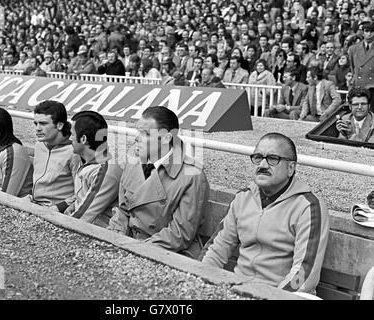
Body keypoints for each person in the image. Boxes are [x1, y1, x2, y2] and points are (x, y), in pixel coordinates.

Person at [202, 133, 329, 294]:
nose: (262, 164)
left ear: (291, 168)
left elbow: (304, 272)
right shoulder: (243, 197)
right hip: (237, 291)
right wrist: (199, 281)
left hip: (284, 295)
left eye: (273, 158)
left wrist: (271, 297)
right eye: (257, 157)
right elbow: (217, 248)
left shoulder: (308, 206)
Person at [108, 106, 210, 259]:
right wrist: (114, 237)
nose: (137, 138)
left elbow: (180, 233)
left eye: (146, 134)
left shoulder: (192, 174)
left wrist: (135, 251)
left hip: (165, 253)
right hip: (127, 242)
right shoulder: (133, 159)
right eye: (138, 131)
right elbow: (123, 210)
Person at [62, 111, 123, 227]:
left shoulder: (106, 170)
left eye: (72, 135)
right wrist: (73, 205)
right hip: (85, 226)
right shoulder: (85, 161)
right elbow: (84, 198)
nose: (70, 139)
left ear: (83, 139)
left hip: (99, 233)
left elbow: (85, 215)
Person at [30, 100, 80, 208]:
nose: (37, 128)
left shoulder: (74, 153)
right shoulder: (39, 145)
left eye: (43, 123)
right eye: (36, 123)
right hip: (33, 203)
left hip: (57, 211)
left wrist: (59, 207)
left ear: (60, 125)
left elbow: (81, 192)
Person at [348, 21, 374, 111]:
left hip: (372, 88)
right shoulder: (353, 49)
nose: (369, 34)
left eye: (372, 31)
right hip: (358, 87)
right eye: (367, 31)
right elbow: (352, 67)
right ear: (362, 32)